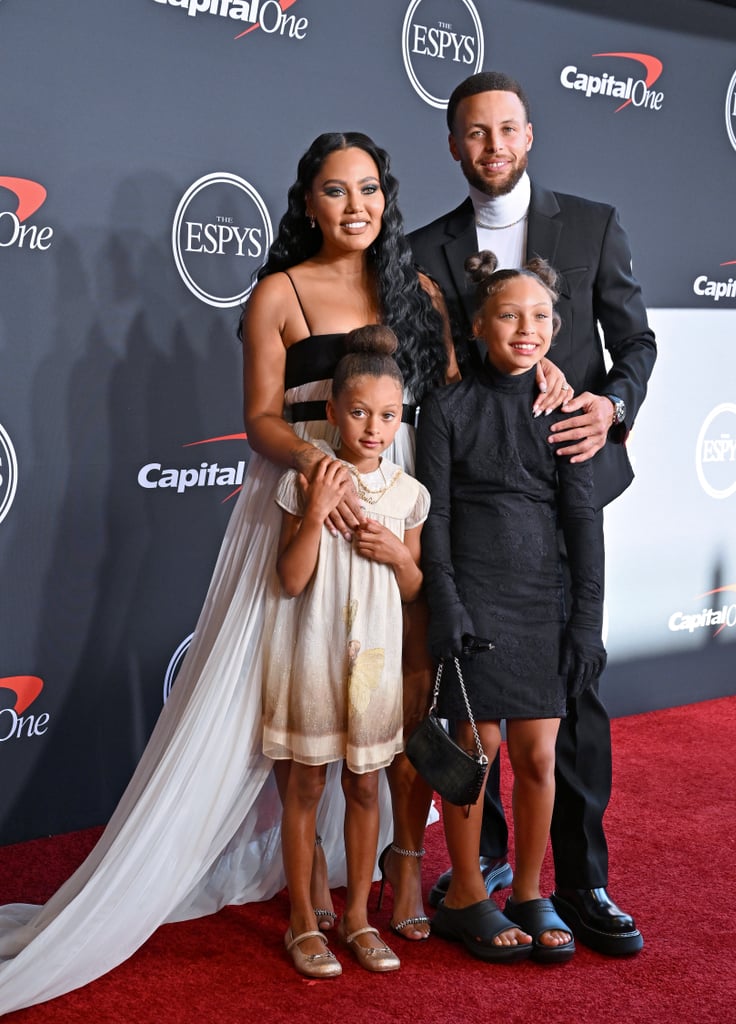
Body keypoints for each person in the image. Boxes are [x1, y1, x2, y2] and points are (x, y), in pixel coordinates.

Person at [0, 131, 454, 1015]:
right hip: (297, 499)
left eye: (368, 189)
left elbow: (446, 398)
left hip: (386, 511)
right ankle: (304, 916)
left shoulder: (417, 292)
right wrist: (323, 473)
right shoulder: (279, 293)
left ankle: (360, 901)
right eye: (334, 190)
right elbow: (256, 419)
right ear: (308, 201)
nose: (354, 206)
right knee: (287, 706)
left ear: (385, 197)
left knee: (373, 714)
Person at [409, 71, 657, 956]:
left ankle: (581, 876)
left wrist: (610, 404)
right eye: (474, 133)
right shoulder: (425, 246)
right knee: (479, 702)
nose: (492, 146)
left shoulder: (588, 223)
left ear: (528, 134)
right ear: (453, 144)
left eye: (506, 129)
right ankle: (493, 876)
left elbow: (634, 340)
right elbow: (416, 368)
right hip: (474, 487)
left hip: (568, 470)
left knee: (567, 686)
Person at [417, 252, 606, 964]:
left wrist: (584, 623)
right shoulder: (447, 408)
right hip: (472, 591)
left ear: (554, 329)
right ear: (478, 324)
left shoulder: (567, 408)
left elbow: (584, 524)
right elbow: (432, 521)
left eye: (538, 318)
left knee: (535, 753)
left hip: (541, 599)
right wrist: (446, 604)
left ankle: (528, 891)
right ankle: (466, 893)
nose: (524, 329)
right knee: (477, 751)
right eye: (507, 314)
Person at [267, 325, 429, 977]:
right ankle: (302, 921)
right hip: (310, 654)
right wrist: (316, 513)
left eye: (387, 415)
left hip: (375, 664)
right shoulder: (303, 483)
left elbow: (415, 587)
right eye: (358, 412)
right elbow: (290, 579)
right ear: (331, 411)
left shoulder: (409, 496)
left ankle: (358, 916)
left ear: (400, 420)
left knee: (366, 787)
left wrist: (396, 554)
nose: (372, 428)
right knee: (305, 784)